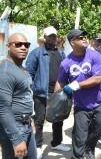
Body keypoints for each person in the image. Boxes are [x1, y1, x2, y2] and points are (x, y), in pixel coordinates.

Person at [54, 29, 101, 159]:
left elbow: (97, 79)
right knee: (79, 136)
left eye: (85, 36)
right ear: (72, 42)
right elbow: (60, 82)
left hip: (99, 102)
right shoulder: (66, 62)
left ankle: (89, 149)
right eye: (80, 37)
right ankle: (77, 156)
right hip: (81, 106)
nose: (84, 38)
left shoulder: (94, 56)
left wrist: (76, 85)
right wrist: (55, 102)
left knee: (97, 131)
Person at [26, 26, 70, 159]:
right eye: (50, 36)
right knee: (39, 120)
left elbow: (66, 70)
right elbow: (29, 73)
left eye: (54, 36)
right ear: (44, 37)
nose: (52, 38)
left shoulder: (61, 52)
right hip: (41, 93)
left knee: (58, 118)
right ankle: (37, 147)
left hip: (57, 92)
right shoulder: (36, 53)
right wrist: (34, 88)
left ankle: (56, 142)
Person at [0, 33, 37, 159]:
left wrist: (30, 118)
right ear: (8, 47)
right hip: (14, 128)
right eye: (18, 44)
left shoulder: (21, 68)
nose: (23, 47)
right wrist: (16, 139)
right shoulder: (4, 73)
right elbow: (3, 109)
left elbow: (25, 95)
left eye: (26, 45)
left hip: (25, 124)